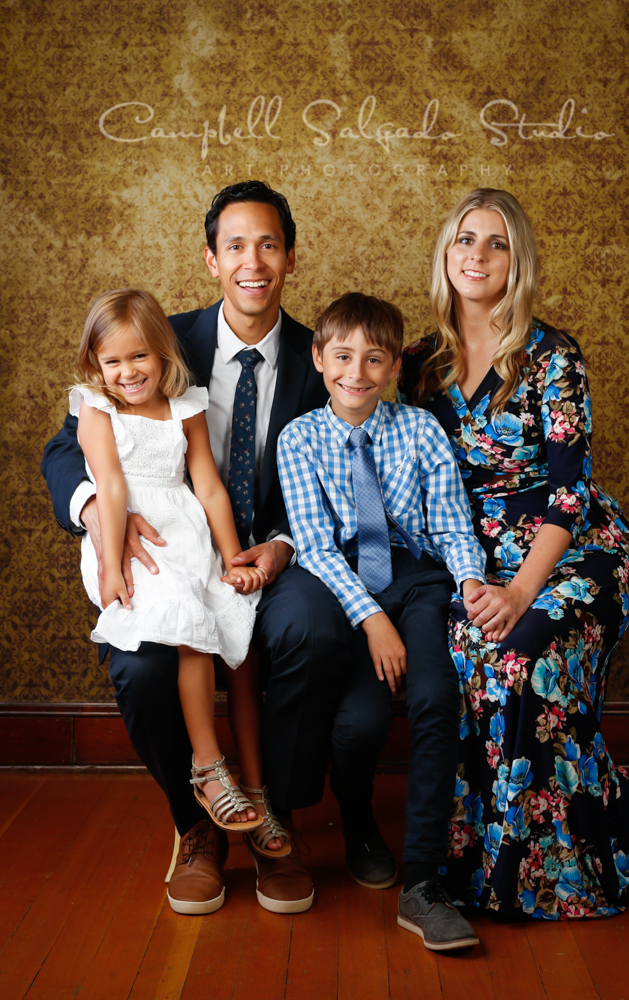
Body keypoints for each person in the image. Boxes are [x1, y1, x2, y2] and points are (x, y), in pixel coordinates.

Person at [41, 181, 386, 916]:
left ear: (290, 256)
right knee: (140, 669)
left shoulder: (319, 355)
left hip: (276, 549)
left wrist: (285, 547)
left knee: (309, 629)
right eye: (235, 246)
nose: (252, 262)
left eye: (268, 244)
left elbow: (346, 470)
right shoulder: (160, 340)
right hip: (166, 546)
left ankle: (275, 820)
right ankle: (194, 825)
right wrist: (101, 508)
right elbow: (67, 447)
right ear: (211, 259)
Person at [398, 188, 629, 920]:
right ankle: (610, 811)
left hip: (567, 547)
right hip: (468, 551)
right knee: (467, 646)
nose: (476, 255)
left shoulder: (553, 358)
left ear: (516, 260)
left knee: (523, 652)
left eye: (496, 243)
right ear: (444, 254)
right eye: (463, 239)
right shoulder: (418, 365)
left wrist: (521, 590)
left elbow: (569, 492)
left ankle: (568, 859)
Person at [70, 288, 290, 916]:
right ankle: (206, 764)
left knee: (214, 619)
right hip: (134, 538)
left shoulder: (186, 406)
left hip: (187, 529)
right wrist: (112, 564)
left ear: (164, 355)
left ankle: (229, 774)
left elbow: (210, 486)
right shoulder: (94, 409)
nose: (127, 373)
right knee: (179, 623)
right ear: (95, 366)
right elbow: (110, 486)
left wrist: (233, 556)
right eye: (112, 363)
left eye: (139, 357)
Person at [277, 292, 486, 951]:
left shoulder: (420, 431)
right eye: (342, 356)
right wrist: (371, 620)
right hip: (347, 586)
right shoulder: (300, 438)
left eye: (373, 359)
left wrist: (472, 579)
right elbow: (310, 543)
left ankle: (423, 884)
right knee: (361, 721)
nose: (357, 373)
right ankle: (357, 811)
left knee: (434, 698)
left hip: (417, 581)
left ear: (395, 366)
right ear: (318, 358)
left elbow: (451, 524)